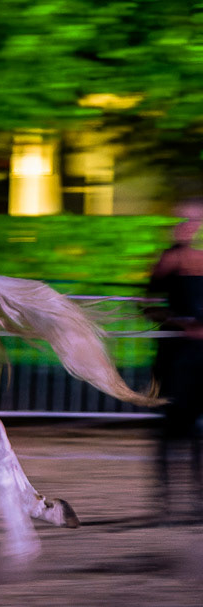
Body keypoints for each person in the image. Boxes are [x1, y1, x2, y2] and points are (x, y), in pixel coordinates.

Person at [146, 199, 203, 522]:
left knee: (199, 429)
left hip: (200, 355)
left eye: (193, 221)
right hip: (176, 354)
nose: (188, 226)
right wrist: (179, 323)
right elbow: (147, 305)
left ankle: (196, 500)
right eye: (183, 220)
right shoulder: (167, 261)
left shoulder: (200, 259)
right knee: (171, 429)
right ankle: (166, 501)